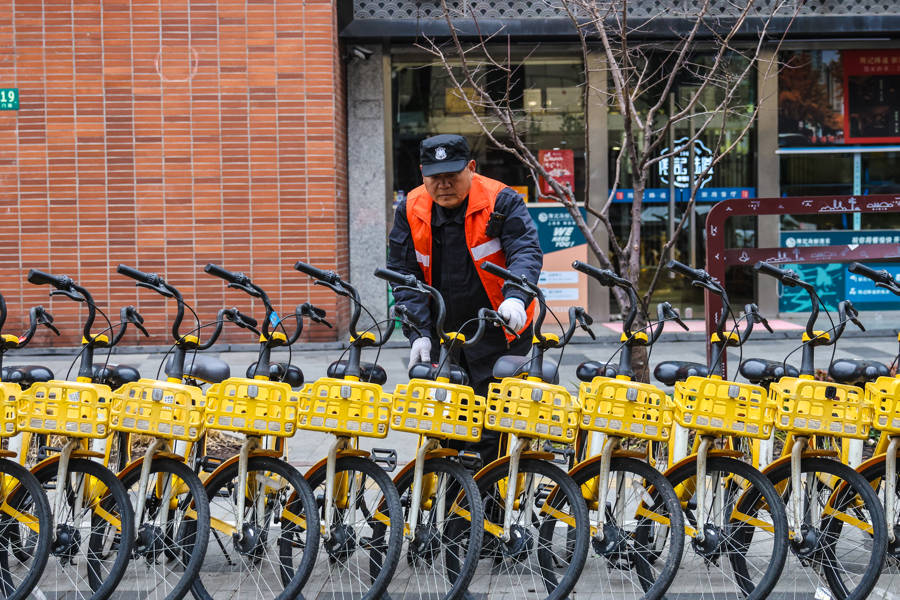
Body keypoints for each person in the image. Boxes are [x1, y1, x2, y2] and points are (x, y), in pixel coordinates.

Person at [387, 133, 543, 464]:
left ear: (471, 168)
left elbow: (525, 250)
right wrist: (418, 333)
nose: (443, 185)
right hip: (445, 332)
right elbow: (404, 274)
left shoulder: (501, 200)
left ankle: (489, 503)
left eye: (452, 176)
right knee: (446, 420)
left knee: (492, 424)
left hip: (500, 328)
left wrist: (516, 298)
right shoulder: (411, 208)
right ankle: (453, 504)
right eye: (435, 177)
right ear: (421, 173)